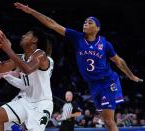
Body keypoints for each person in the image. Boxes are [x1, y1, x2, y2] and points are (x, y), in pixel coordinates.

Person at [13, 2, 144, 131]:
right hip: (93, 85)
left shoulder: (105, 44)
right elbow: (52, 24)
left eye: (90, 22)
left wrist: (131, 76)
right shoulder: (77, 37)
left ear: (97, 28)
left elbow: (119, 61)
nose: (86, 23)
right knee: (106, 121)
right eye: (85, 21)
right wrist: (31, 12)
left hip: (107, 82)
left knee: (109, 121)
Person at [0, 27, 54, 131]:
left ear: (34, 40)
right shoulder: (20, 57)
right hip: (26, 101)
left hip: (41, 104)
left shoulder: (41, 55)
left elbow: (28, 69)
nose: (23, 36)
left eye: (27, 34)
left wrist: (8, 49)